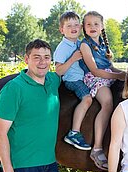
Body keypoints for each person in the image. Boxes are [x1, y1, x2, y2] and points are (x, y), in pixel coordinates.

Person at [0, 39, 61, 172]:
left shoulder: (52, 81)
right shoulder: (13, 89)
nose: (42, 62)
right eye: (36, 57)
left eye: (46, 57)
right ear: (26, 59)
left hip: (49, 164)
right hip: (24, 167)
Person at [80, 10, 126, 171]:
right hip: (96, 78)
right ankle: (97, 147)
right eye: (88, 24)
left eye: (96, 24)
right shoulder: (85, 45)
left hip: (107, 75)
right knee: (107, 103)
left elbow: (110, 66)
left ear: (102, 27)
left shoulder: (104, 45)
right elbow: (95, 71)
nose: (92, 27)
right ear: (84, 28)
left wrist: (124, 74)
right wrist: (117, 76)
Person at [54, 11, 92, 151]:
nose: (73, 28)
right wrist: (73, 59)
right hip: (73, 80)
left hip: (83, 77)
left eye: (76, 24)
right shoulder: (63, 48)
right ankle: (74, 132)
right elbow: (59, 71)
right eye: (69, 25)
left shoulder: (80, 44)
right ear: (62, 30)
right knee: (87, 99)